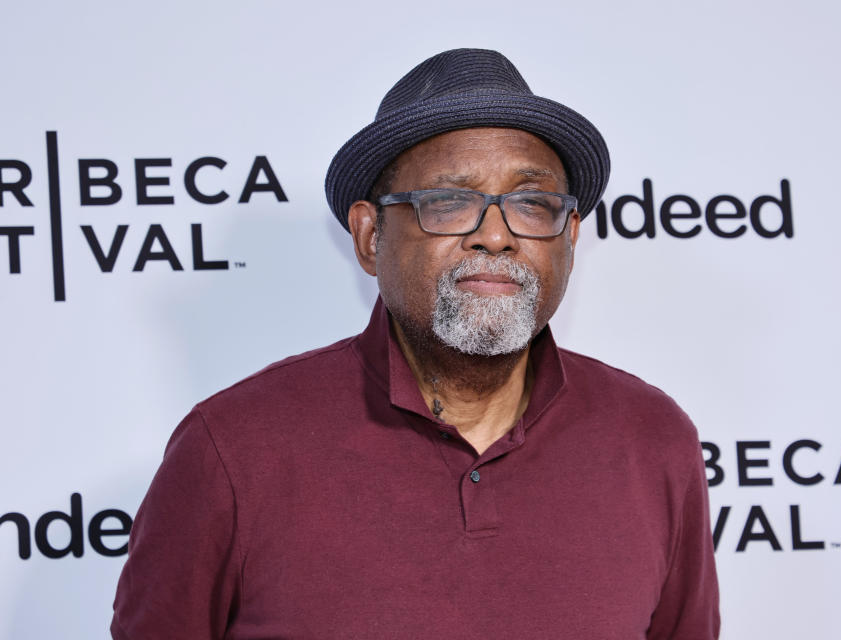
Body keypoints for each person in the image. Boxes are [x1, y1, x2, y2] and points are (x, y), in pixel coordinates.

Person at [111, 48, 720, 639]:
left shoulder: (653, 440)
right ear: (370, 236)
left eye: (531, 203)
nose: (494, 235)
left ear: (570, 237)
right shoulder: (233, 448)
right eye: (450, 201)